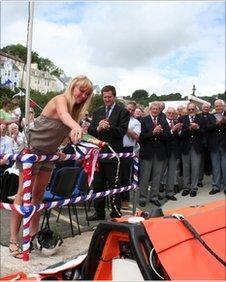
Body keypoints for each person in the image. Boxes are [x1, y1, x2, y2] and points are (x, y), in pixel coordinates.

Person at [9, 75, 93, 258]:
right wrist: (76, 127)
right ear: (72, 87)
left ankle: (33, 236)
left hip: (48, 155)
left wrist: (61, 148)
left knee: (38, 197)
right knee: (23, 194)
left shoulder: (75, 111)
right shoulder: (60, 100)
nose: (83, 95)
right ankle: (13, 240)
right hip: (31, 151)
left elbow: (63, 132)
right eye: (81, 90)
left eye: (87, 93)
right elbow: (63, 117)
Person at [87, 85, 130, 220]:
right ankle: (98, 212)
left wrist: (109, 127)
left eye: (109, 97)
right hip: (99, 155)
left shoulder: (122, 111)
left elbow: (121, 131)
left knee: (114, 186)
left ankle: (115, 212)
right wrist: (99, 128)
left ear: (114, 96)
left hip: (114, 154)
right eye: (104, 97)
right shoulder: (97, 111)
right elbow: (91, 132)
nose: (107, 99)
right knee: (98, 185)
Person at [139, 102, 170, 207]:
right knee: (145, 176)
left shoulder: (163, 120)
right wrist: (153, 132)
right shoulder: (144, 120)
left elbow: (167, 136)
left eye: (157, 109)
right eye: (153, 109)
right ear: (150, 109)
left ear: (159, 110)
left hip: (159, 153)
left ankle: (154, 197)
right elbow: (141, 136)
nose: (155, 111)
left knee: (157, 176)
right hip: (147, 153)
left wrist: (160, 132)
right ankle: (142, 197)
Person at [180, 102, 206, 197]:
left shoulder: (201, 118)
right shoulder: (182, 118)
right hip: (185, 147)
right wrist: (190, 128)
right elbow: (181, 134)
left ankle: (194, 188)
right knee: (186, 168)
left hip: (196, 147)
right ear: (187, 110)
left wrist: (197, 128)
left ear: (196, 109)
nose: (191, 111)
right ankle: (186, 187)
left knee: (195, 168)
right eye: (189, 109)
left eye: (193, 109)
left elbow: (204, 132)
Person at [121, 101, 141, 210]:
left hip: (128, 149)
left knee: (125, 175)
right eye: (128, 109)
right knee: (115, 175)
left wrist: (125, 128)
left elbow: (136, 136)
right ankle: (115, 198)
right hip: (115, 148)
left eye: (132, 110)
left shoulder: (136, 122)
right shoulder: (118, 118)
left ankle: (125, 200)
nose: (130, 111)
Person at [206, 99, 226, 195]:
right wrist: (217, 123)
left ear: (223, 106)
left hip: (224, 146)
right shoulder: (210, 117)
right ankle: (216, 187)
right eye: (216, 106)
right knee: (215, 167)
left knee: (225, 167)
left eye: (220, 106)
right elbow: (207, 129)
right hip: (214, 146)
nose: (218, 107)